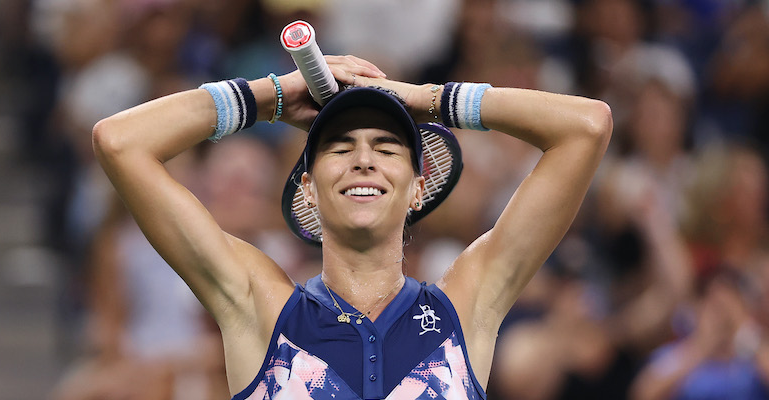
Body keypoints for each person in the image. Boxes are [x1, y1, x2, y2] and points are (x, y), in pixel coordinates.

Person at [91, 54, 612, 399]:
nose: (363, 160)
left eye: (387, 148)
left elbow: (586, 128)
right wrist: (270, 96)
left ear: (417, 187)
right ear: (308, 190)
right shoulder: (259, 306)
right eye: (340, 148)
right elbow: (120, 142)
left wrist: (425, 98)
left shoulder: (464, 307)